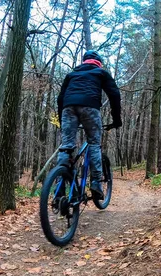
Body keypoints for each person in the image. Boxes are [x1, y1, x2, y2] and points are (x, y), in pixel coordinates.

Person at [57, 50, 122, 200]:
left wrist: (63, 121)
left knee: (66, 146)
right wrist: (116, 119)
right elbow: (114, 94)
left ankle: (60, 183)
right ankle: (96, 183)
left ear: (84, 61)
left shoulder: (71, 75)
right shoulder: (101, 73)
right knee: (94, 143)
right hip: (90, 108)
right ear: (98, 62)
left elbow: (60, 99)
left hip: (68, 108)